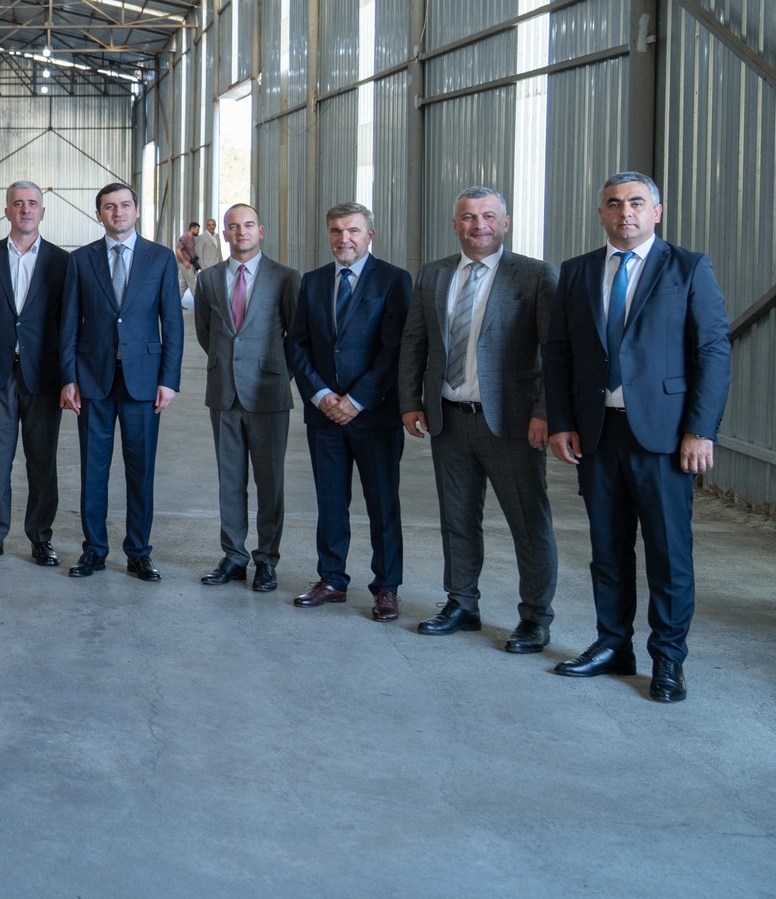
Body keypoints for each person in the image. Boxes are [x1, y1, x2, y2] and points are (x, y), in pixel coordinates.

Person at [543, 172, 730, 703]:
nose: (625, 212)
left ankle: (668, 659)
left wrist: (700, 430)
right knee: (607, 549)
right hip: (598, 432)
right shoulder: (577, 271)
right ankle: (612, 645)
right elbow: (559, 352)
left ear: (656, 212)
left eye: (636, 203)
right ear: (601, 213)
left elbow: (713, 351)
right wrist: (561, 421)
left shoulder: (688, 267)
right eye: (614, 203)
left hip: (664, 437)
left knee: (668, 554)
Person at [397, 187, 559, 654]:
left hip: (512, 424)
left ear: (505, 223)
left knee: (528, 522)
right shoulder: (434, 275)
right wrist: (410, 401)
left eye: (489, 216)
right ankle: (461, 604)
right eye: (468, 217)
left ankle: (535, 618)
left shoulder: (534, 275)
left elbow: (555, 353)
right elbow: (414, 342)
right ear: (455, 225)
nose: (479, 225)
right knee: (457, 519)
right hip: (449, 418)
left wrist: (544, 414)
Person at [286, 202, 412, 622]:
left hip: (374, 415)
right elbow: (298, 344)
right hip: (324, 415)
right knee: (330, 502)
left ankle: (387, 587)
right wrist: (321, 395)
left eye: (353, 230)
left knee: (382, 503)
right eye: (337, 231)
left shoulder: (393, 280)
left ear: (369, 234)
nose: (345, 239)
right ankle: (332, 579)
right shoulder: (313, 281)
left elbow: (394, 350)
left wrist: (356, 401)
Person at [57, 182, 183, 581]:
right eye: (109, 207)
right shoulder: (81, 260)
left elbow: (173, 323)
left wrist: (169, 380)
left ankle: (139, 552)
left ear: (137, 210)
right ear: (99, 214)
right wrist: (68, 377)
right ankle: (94, 549)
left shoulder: (160, 258)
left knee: (140, 471)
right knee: (93, 470)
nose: (118, 212)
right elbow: (68, 324)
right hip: (93, 379)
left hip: (143, 382)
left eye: (125, 205)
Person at [191, 203, 299, 593]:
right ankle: (234, 556)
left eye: (249, 225)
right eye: (233, 226)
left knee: (270, 482)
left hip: (269, 393)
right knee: (230, 480)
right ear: (225, 234)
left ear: (261, 230)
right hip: (224, 392)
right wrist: (229, 366)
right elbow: (206, 332)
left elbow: (295, 336)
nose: (242, 232)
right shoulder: (208, 279)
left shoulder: (285, 278)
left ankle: (266, 559)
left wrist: (276, 373)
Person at [0, 181, 70, 566]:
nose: (26, 209)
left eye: (32, 203)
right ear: (7, 211)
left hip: (44, 375)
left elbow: (68, 324)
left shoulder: (61, 262)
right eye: (18, 203)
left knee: (42, 460)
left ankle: (41, 537)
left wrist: (69, 377)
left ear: (42, 211)